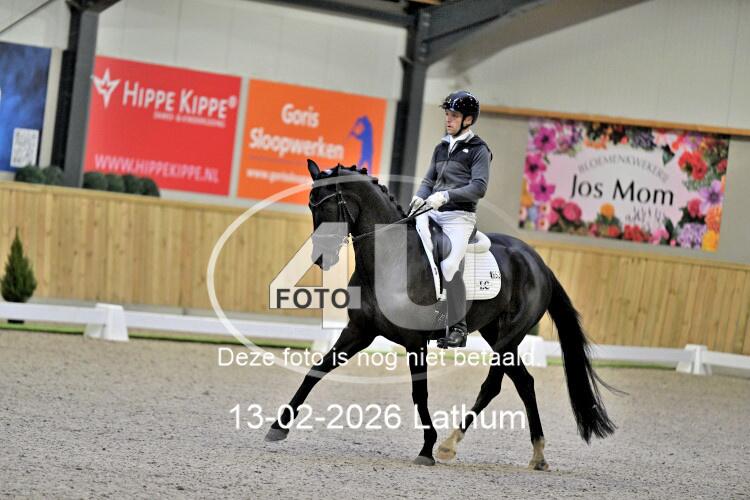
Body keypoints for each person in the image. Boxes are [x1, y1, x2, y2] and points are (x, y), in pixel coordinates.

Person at [408, 90, 492, 348]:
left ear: (468, 119)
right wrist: (419, 197)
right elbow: (428, 180)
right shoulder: (442, 147)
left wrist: (446, 196)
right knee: (408, 243)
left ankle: (458, 327)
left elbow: (479, 187)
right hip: (432, 209)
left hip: (459, 217)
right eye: (447, 114)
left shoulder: (479, 150)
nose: (448, 119)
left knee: (449, 266)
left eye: (454, 115)